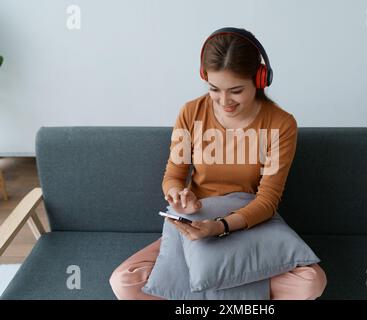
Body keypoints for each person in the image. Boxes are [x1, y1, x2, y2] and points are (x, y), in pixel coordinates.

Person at [109, 27, 327, 300]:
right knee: (123, 282)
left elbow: (268, 200)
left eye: (236, 91)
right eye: (214, 89)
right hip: (197, 223)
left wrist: (221, 226)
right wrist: (177, 195)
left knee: (310, 282)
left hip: (250, 223)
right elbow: (173, 175)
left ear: (259, 80)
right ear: (205, 79)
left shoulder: (281, 124)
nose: (225, 101)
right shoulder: (191, 112)